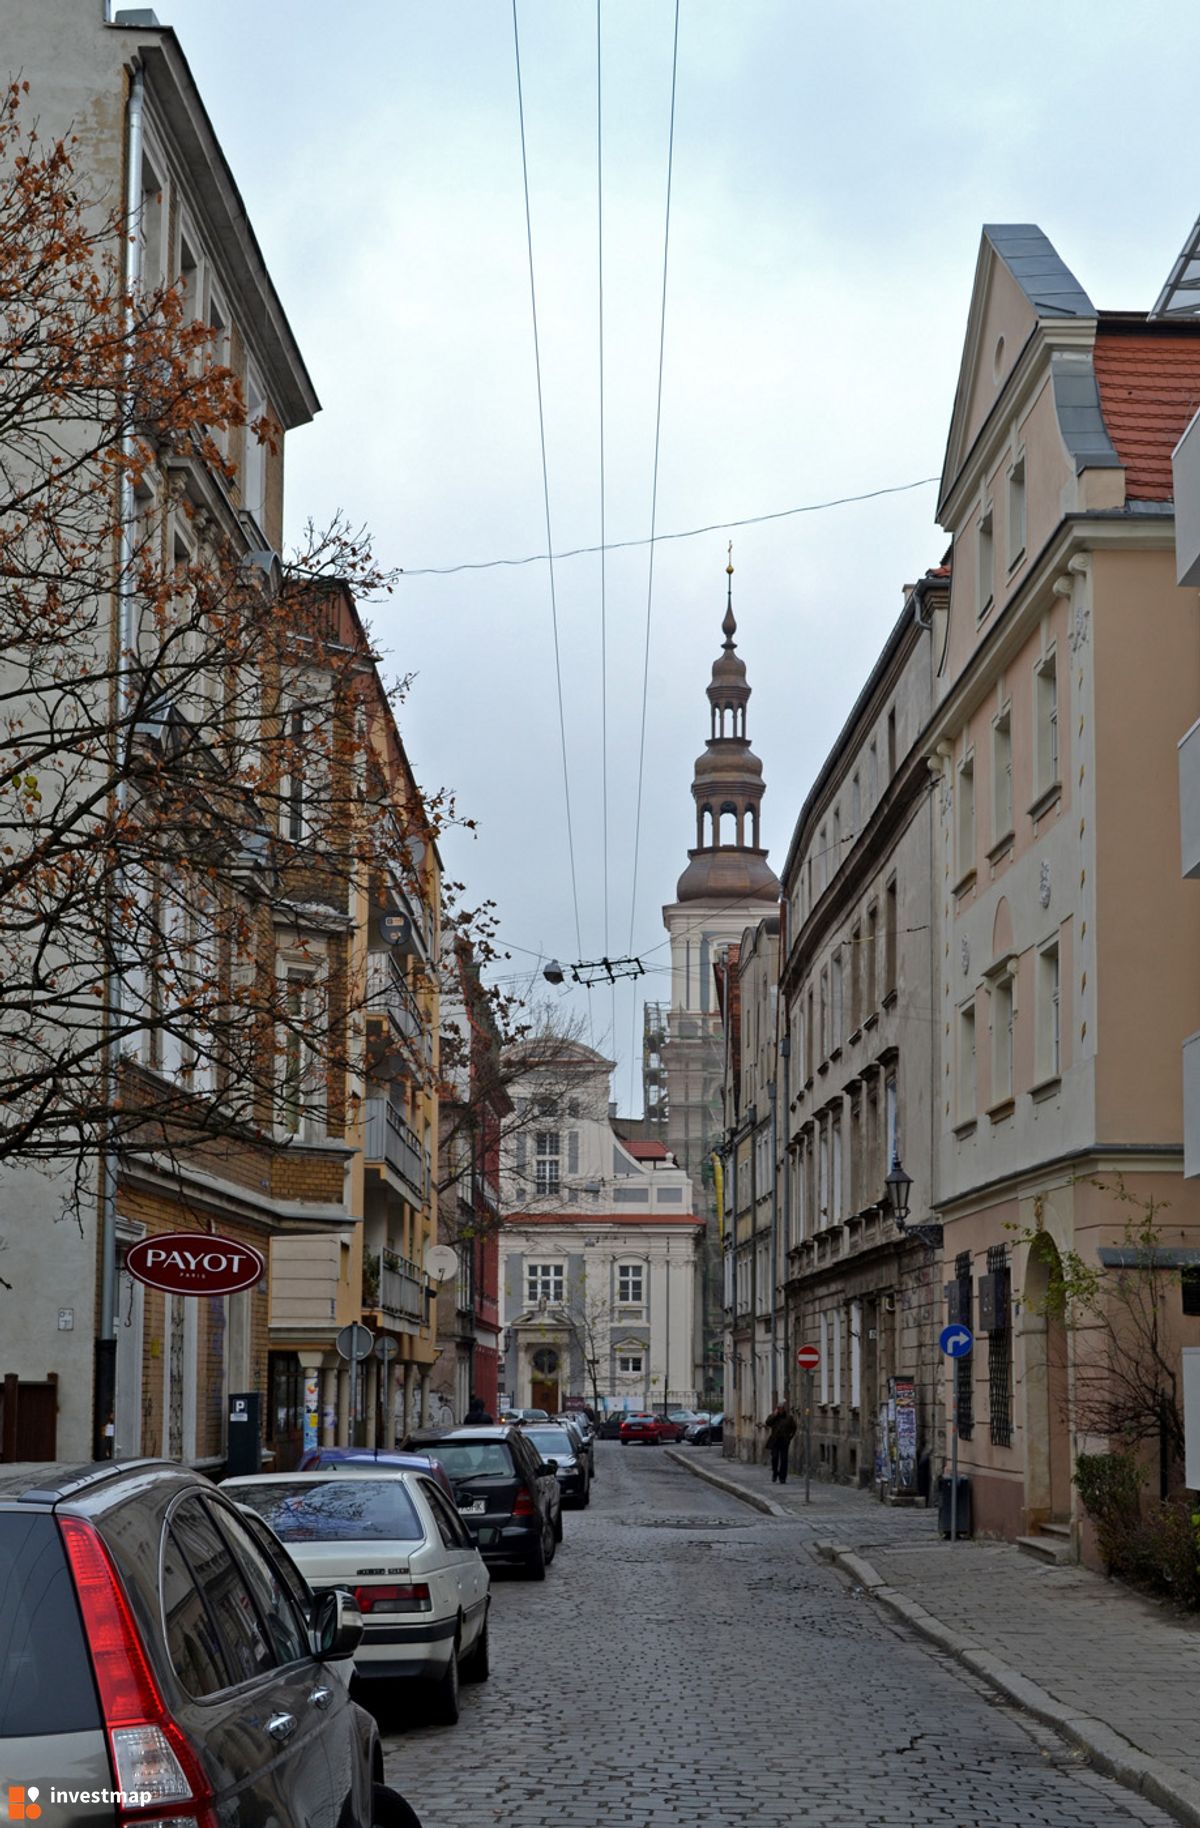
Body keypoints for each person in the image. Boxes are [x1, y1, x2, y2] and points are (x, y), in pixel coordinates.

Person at [763, 1401, 797, 1484]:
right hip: (775, 1441)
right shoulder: (774, 1417)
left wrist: (790, 1437)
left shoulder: (789, 1418)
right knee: (774, 1458)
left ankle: (782, 1477)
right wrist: (774, 1415)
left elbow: (794, 1428)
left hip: (784, 1441)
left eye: (781, 1408)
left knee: (784, 1459)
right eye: (778, 1408)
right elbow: (767, 1423)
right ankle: (775, 1472)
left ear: (783, 1409)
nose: (780, 1410)